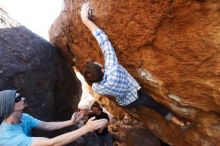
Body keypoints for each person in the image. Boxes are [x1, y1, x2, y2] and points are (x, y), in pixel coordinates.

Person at [80, 2, 195, 130]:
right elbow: (103, 40)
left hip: (127, 102)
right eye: (99, 64)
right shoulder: (112, 68)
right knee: (157, 107)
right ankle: (181, 124)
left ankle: (133, 117)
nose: (100, 63)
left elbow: (95, 81)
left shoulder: (97, 88)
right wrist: (85, 20)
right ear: (102, 69)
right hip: (138, 94)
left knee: (148, 107)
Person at [0, 90, 107, 146]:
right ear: (9, 106)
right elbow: (52, 143)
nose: (23, 98)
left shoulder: (24, 117)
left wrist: (71, 122)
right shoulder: (8, 137)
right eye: (18, 98)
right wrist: (85, 129)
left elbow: (47, 126)